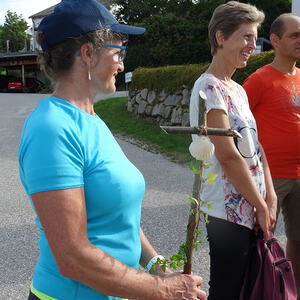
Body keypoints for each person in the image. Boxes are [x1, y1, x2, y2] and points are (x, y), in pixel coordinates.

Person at [18, 1, 207, 299]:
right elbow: (72, 257)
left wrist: (156, 265)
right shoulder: (51, 128)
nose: (122, 65)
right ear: (88, 53)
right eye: (118, 53)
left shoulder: (92, 119)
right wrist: (163, 290)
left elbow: (118, 215)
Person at [189, 2, 277, 299]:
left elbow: (254, 143)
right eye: (246, 37)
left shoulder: (236, 88)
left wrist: (270, 194)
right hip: (228, 213)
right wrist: (261, 205)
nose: (253, 45)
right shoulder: (209, 87)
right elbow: (226, 155)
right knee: (228, 289)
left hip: (252, 203)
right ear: (221, 38)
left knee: (250, 285)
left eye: (254, 37)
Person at [243, 13, 300, 298]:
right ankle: (260, 291)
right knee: (261, 239)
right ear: (275, 40)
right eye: (295, 35)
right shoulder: (259, 80)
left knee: (299, 240)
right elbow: (237, 123)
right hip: (271, 176)